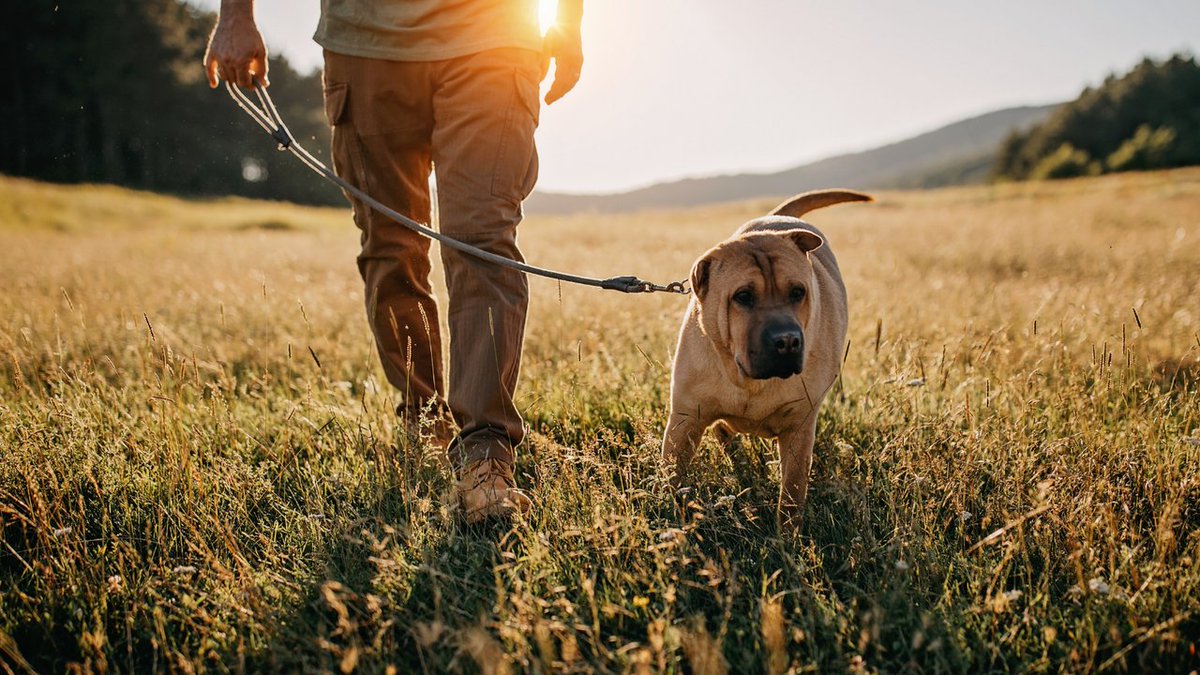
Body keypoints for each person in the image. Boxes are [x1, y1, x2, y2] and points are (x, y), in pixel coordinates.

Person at [204, 0, 583, 522]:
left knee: (481, 240)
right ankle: (425, 422)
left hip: (497, 34)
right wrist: (235, 15)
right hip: (365, 43)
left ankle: (485, 455)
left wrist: (570, 20)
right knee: (390, 247)